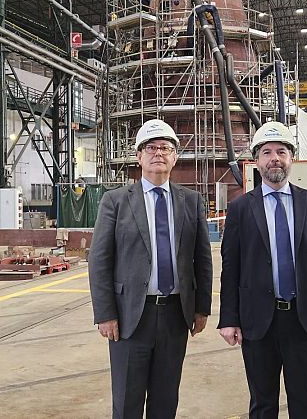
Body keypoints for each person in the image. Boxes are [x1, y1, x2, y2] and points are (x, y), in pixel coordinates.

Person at [89, 118, 214, 419]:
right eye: (151, 147)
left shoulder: (191, 201)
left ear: (175, 157)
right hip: (131, 315)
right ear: (139, 156)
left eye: (166, 148)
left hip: (175, 314)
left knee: (165, 398)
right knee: (127, 400)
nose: (158, 153)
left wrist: (201, 308)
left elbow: (203, 258)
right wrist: (105, 313)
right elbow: (99, 259)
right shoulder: (115, 201)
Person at [218, 121, 307, 418]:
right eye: (267, 152)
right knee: (262, 403)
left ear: (291, 159)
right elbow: (230, 268)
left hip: (303, 318)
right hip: (258, 321)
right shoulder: (240, 209)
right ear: (256, 161)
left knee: (303, 402)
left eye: (282, 151)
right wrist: (228, 319)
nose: (275, 158)